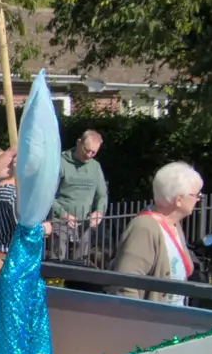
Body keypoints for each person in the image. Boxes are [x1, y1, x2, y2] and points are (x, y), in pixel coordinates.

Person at [109, 161, 203, 304]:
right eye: (196, 195)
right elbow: (125, 285)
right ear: (179, 200)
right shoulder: (144, 228)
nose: (198, 199)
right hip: (152, 323)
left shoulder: (174, 224)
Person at [50, 130, 108, 262]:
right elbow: (48, 195)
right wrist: (63, 214)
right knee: (57, 260)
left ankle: (76, 283)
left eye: (93, 152)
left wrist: (99, 212)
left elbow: (102, 195)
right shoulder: (60, 163)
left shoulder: (95, 167)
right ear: (78, 143)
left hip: (84, 221)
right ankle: (55, 282)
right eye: (86, 150)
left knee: (82, 260)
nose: (89, 155)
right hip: (61, 219)